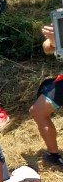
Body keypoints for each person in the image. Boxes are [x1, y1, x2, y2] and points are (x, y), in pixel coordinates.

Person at [31, 23, 63, 168]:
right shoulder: (60, 17)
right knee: (38, 111)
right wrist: (53, 41)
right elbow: (47, 48)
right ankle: (54, 155)